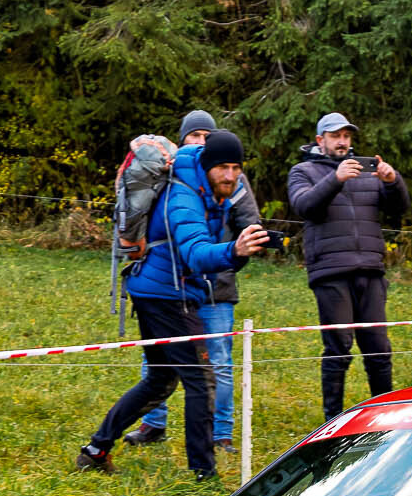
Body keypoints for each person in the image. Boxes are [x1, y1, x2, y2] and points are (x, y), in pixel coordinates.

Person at [78, 132, 269, 478]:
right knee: (201, 382)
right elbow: (195, 253)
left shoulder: (206, 190)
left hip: (159, 290)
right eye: (223, 168)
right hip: (167, 295)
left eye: (236, 168)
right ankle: (203, 472)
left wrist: (239, 253)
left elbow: (211, 259)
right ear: (208, 166)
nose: (230, 176)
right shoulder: (184, 197)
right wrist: (234, 250)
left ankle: (96, 450)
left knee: (160, 379)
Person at [121, 112, 258, 453]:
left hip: (218, 283)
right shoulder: (177, 185)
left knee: (217, 363)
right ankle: (155, 426)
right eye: (194, 135)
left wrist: (242, 246)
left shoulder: (231, 179)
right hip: (177, 286)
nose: (200, 141)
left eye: (206, 135)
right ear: (183, 142)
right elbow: (189, 246)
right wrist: (230, 249)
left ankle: (221, 435)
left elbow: (249, 221)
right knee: (170, 370)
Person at [289, 112, 410, 420]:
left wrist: (392, 182)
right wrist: (336, 178)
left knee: (378, 349)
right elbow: (305, 206)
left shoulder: (367, 172)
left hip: (370, 268)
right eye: (335, 136)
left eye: (346, 136)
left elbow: (399, 209)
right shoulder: (303, 171)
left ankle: (385, 415)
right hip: (331, 271)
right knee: (338, 349)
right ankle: (332, 420)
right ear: (320, 140)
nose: (342, 142)